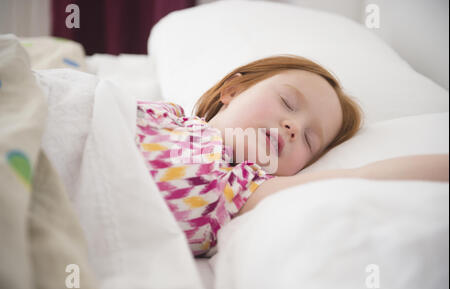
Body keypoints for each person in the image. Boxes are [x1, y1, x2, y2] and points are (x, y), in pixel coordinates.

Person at [135, 55, 449, 257]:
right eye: (287, 102)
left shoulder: (239, 188)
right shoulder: (164, 113)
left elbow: (363, 175)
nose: (294, 126)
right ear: (232, 89)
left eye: (310, 140)